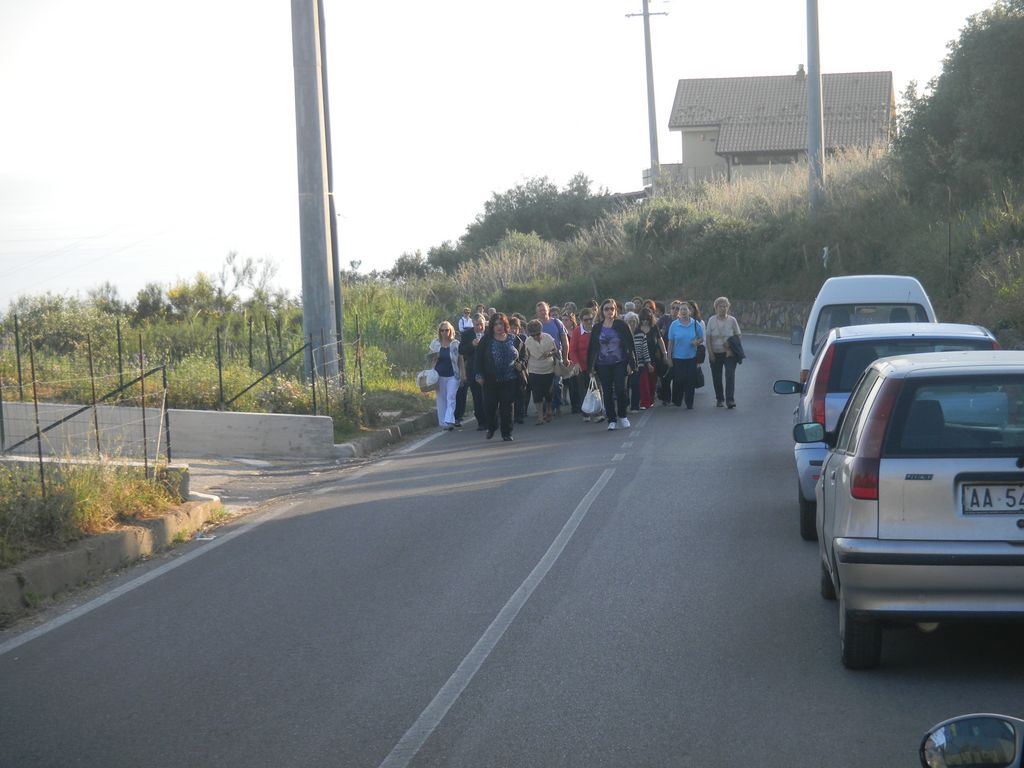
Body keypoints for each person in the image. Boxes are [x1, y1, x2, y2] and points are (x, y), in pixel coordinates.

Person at [587, 298, 636, 431]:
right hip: (602, 364)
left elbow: (630, 345)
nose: (609, 311)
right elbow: (592, 348)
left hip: (620, 362)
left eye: (612, 309)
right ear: (602, 311)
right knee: (607, 392)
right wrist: (591, 367)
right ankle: (612, 419)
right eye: (606, 309)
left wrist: (631, 363)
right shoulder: (597, 328)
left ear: (615, 310)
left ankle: (623, 415)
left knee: (620, 389)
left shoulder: (621, 325)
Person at [474, 313, 523, 442]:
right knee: (490, 406)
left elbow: (523, 355)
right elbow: (478, 359)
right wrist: (479, 375)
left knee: (507, 407)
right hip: (490, 379)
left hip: (509, 379)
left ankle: (506, 432)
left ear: (505, 324)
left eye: (501, 323)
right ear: (492, 326)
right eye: (495, 324)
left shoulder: (514, 339)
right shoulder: (486, 340)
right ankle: (492, 426)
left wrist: (521, 364)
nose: (498, 327)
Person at [666, 301, 704, 409]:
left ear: (689, 311)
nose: (682, 311)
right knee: (678, 379)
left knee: (690, 380)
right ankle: (677, 401)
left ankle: (689, 402)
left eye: (685, 309)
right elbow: (670, 342)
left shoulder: (695, 324)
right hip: (677, 357)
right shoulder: (674, 325)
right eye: (681, 309)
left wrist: (697, 342)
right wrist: (669, 357)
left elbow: (701, 338)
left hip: (691, 357)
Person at [706, 296, 742, 409]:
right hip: (715, 352)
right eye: (720, 306)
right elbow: (708, 338)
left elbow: (738, 335)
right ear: (716, 308)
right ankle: (719, 399)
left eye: (725, 306)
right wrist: (710, 353)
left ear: (728, 307)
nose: (723, 308)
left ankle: (730, 400)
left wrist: (730, 345)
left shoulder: (732, 320)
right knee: (717, 377)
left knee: (730, 375)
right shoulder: (711, 320)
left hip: (729, 353)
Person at [428, 321, 465, 430]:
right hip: (438, 375)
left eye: (446, 330)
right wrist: (432, 358)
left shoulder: (456, 343)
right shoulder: (435, 343)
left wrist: (463, 374)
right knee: (441, 399)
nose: (444, 332)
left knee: (451, 397)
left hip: (453, 375)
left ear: (451, 331)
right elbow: (429, 358)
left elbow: (460, 359)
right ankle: (444, 423)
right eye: (442, 330)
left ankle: (449, 420)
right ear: (439, 332)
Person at [536, 301, 570, 415]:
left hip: (556, 355)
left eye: (544, 309)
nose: (543, 312)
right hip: (541, 357)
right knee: (544, 385)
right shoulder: (535, 325)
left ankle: (558, 406)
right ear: (537, 312)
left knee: (557, 384)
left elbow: (565, 342)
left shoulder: (557, 322)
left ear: (548, 310)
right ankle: (547, 408)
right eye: (540, 310)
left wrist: (565, 357)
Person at [455, 313, 487, 428]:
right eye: (477, 325)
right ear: (473, 324)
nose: (479, 327)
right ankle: (481, 422)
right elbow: (461, 350)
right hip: (473, 370)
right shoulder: (467, 334)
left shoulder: (489, 332)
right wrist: (472, 345)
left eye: (481, 324)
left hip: (489, 369)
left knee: (489, 396)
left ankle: (491, 419)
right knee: (477, 397)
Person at [524, 319, 558, 424]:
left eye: (537, 334)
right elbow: (525, 356)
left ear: (541, 331)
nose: (535, 336)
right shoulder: (528, 341)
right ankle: (540, 416)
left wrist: (550, 353)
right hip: (534, 370)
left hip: (548, 369)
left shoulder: (548, 337)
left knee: (549, 393)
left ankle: (548, 410)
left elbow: (555, 350)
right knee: (537, 393)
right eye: (533, 335)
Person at [635, 307, 666, 410]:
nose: (645, 321)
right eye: (643, 319)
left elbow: (660, 340)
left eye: (647, 319)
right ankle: (645, 402)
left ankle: (651, 399)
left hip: (653, 358)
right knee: (644, 382)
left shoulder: (654, 328)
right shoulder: (637, 329)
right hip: (641, 360)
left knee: (652, 382)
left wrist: (665, 354)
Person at [568, 306, 595, 421]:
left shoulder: (596, 329)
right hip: (581, 365)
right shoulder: (577, 331)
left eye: (590, 319)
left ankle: (598, 411)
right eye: (586, 320)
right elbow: (572, 349)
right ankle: (586, 413)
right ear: (581, 320)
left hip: (595, 364)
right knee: (583, 390)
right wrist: (576, 363)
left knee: (596, 389)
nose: (588, 322)